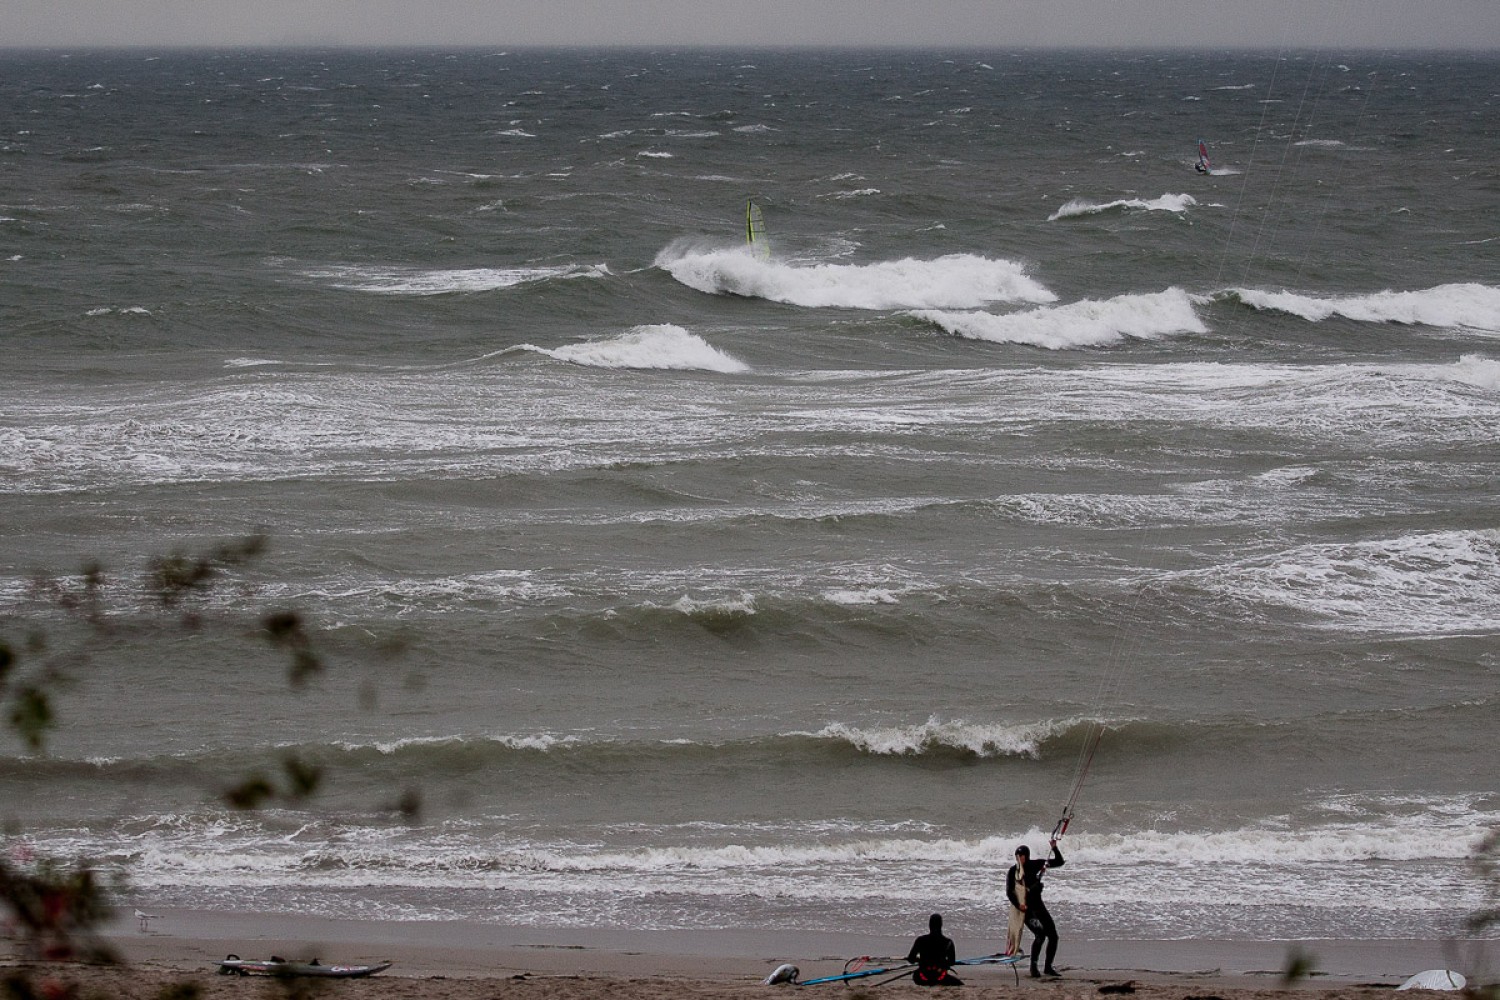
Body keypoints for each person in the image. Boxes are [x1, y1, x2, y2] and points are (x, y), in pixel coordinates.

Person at [1007, 840, 1064, 978]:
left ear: (1027, 856)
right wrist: (1018, 904)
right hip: (1026, 910)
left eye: (1021, 856)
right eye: (1017, 856)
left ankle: (1048, 967)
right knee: (1040, 935)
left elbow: (1059, 862)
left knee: (1053, 936)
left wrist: (1054, 848)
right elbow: (1010, 892)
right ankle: (1033, 967)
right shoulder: (1013, 871)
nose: (1019, 859)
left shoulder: (1035, 864)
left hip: (1039, 906)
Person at [906, 912, 963, 986]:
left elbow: (911, 960)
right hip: (940, 977)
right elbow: (951, 962)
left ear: (929, 925)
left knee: (916, 975)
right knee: (959, 984)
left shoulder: (920, 940)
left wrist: (920, 959)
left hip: (922, 977)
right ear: (941, 925)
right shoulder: (948, 942)